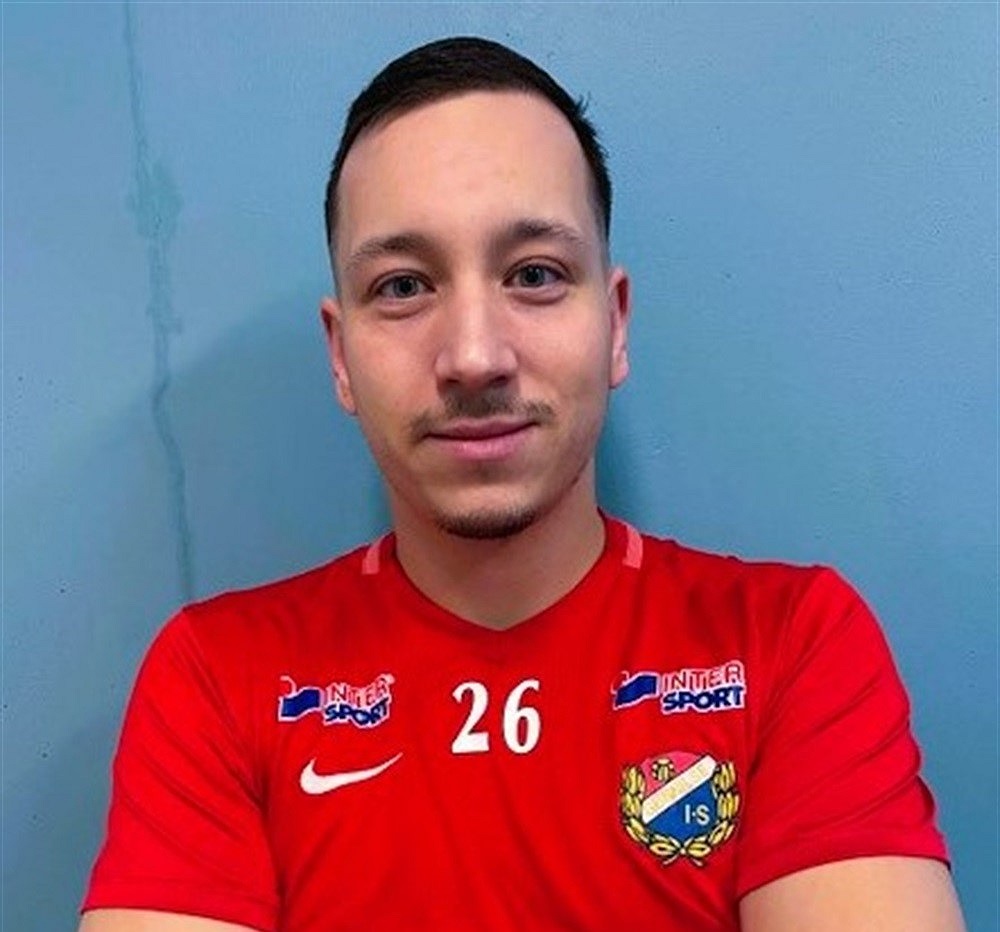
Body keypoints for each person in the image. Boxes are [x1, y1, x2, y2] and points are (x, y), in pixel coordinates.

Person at [80, 36, 965, 932]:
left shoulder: (789, 646)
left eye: (535, 275)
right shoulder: (218, 681)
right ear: (340, 356)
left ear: (614, 325)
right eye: (403, 286)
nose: (474, 357)